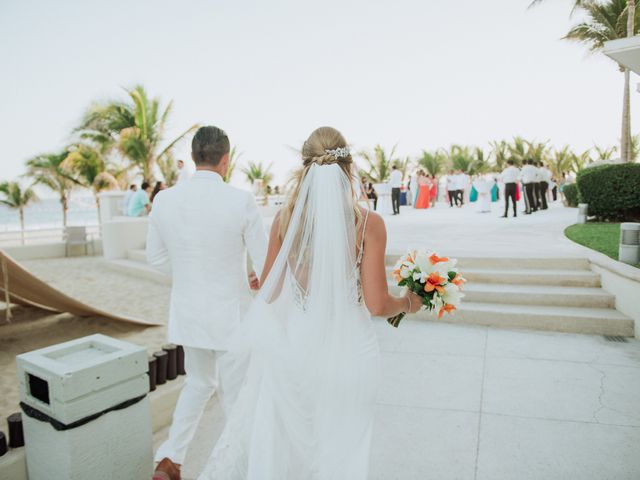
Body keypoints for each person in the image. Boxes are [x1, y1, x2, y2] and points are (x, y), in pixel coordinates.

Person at [197, 127, 421, 480]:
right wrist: (409, 302)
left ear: (305, 170)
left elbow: (268, 293)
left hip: (300, 353)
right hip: (353, 354)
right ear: (349, 169)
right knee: (348, 446)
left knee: (303, 449)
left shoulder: (286, 221)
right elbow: (377, 305)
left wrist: (262, 279)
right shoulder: (369, 224)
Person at [149, 126, 268, 480]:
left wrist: (190, 274)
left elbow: (155, 260)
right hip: (231, 318)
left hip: (189, 314)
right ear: (225, 160)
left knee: (199, 383)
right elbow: (264, 263)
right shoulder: (240, 200)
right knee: (236, 398)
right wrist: (259, 279)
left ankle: (171, 459)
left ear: (196, 154)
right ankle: (240, 470)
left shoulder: (164, 200)